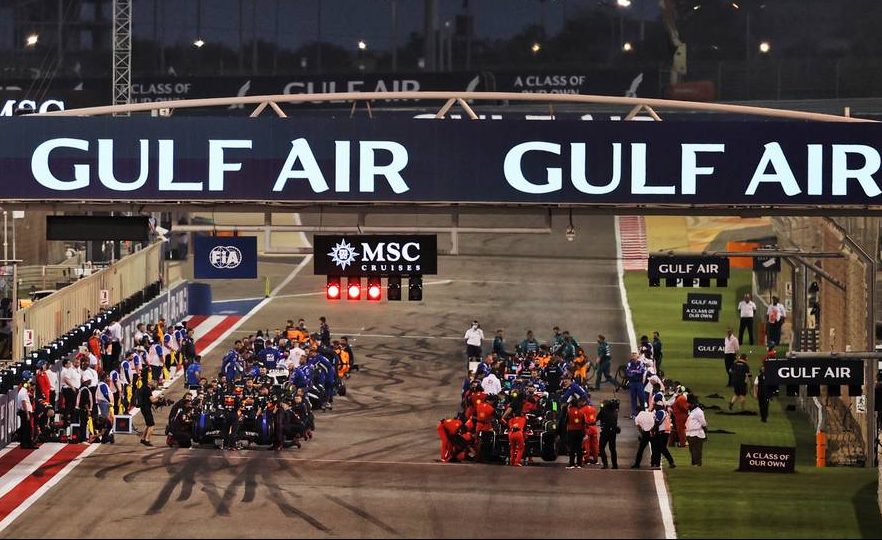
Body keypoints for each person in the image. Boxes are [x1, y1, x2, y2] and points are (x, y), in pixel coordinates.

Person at [650, 397, 676, 469]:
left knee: (658, 448)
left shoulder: (660, 412)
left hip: (662, 433)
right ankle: (668, 462)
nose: (654, 407)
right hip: (665, 432)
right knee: (662, 448)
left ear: (658, 406)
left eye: (655, 406)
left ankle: (657, 463)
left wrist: (653, 431)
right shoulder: (664, 412)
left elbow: (657, 422)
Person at [565, 397, 587, 469]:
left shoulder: (568, 412)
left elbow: (566, 422)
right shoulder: (581, 412)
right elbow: (584, 423)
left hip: (571, 431)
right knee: (579, 448)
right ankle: (579, 463)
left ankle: (571, 463)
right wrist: (585, 433)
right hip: (579, 431)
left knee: (572, 448)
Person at [598, 398, 620, 469]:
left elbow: (597, 418)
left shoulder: (603, 411)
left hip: (605, 431)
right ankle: (615, 464)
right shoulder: (615, 412)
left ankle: (605, 464)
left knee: (601, 447)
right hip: (613, 431)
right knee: (612, 448)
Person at [16, 375, 37, 449]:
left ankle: (25, 443)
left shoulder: (23, 391)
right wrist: (27, 413)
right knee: (26, 428)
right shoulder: (23, 392)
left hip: (24, 412)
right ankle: (26, 444)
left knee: (25, 428)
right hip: (25, 412)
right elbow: (24, 403)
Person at [685, 397, 707, 466]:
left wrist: (705, 429)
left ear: (692, 404)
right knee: (692, 449)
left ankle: (698, 463)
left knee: (697, 450)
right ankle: (694, 462)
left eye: (688, 403)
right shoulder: (692, 411)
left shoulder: (698, 412)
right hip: (690, 433)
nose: (687, 405)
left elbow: (703, 423)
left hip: (697, 433)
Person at [631, 405, 654, 469]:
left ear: (637, 411)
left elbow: (639, 428)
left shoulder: (637, 418)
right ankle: (654, 463)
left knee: (640, 450)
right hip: (652, 431)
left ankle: (637, 464)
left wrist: (643, 434)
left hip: (645, 433)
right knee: (654, 448)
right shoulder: (649, 414)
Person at [625, 353, 646, 418]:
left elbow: (641, 371)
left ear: (637, 357)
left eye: (635, 356)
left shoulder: (641, 363)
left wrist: (633, 372)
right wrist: (636, 372)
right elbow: (628, 372)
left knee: (641, 397)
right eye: (632, 356)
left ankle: (643, 411)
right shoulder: (629, 363)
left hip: (639, 383)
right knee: (633, 398)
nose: (633, 357)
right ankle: (634, 413)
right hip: (632, 383)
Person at [139, 374, 157, 446]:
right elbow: (152, 400)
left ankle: (143, 438)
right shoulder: (148, 390)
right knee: (152, 425)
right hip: (146, 409)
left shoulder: (144, 387)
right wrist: (159, 398)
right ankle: (147, 440)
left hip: (143, 408)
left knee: (148, 424)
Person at [582, 399, 600, 465]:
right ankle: (595, 459)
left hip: (587, 428)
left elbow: (583, 420)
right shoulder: (593, 409)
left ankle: (587, 459)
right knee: (595, 444)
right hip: (594, 428)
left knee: (587, 444)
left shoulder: (582, 409)